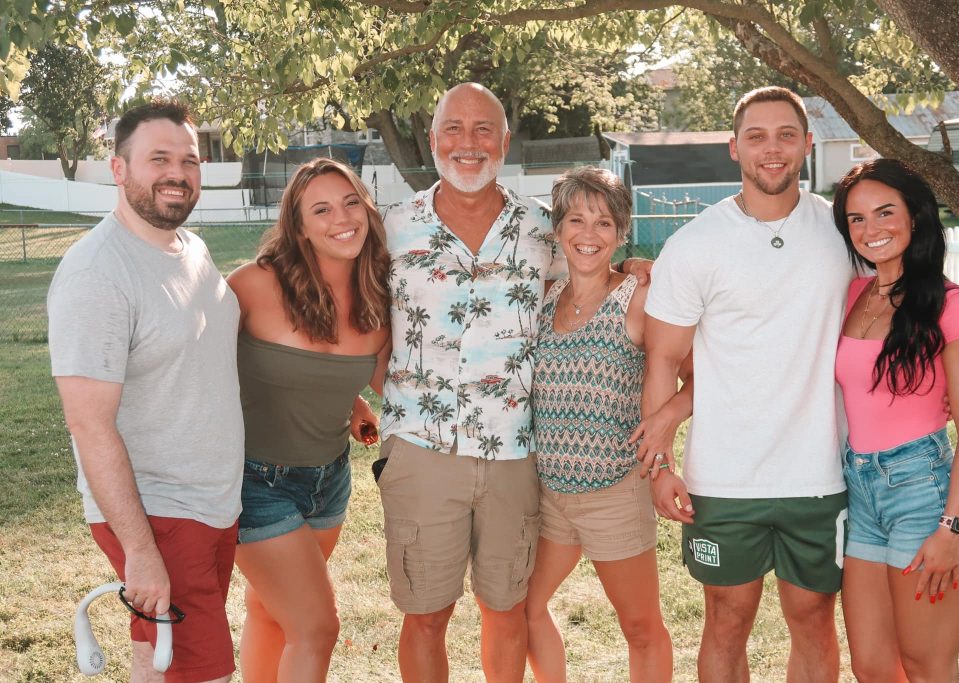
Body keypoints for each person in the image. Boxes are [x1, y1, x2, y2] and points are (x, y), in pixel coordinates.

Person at [375, 82, 650, 682]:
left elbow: (590, 266)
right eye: (454, 128)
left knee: (505, 609)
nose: (467, 144)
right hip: (423, 451)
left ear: (504, 141)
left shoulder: (540, 229)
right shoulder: (391, 229)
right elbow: (362, 323)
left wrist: (634, 266)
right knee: (425, 615)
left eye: (483, 131)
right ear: (432, 139)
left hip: (516, 455)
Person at [637, 86, 853, 682]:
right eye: (756, 136)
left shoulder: (843, 233)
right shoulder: (695, 244)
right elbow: (662, 360)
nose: (772, 149)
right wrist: (661, 468)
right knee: (728, 618)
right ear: (734, 148)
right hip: (724, 477)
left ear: (808, 145)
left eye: (787, 135)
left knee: (812, 617)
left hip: (820, 471)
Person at [48, 100, 243, 683]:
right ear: (118, 168)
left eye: (189, 159)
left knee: (159, 659)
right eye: (158, 158)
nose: (177, 172)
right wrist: (140, 549)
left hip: (211, 504)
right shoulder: (97, 273)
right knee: (203, 671)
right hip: (158, 510)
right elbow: (89, 424)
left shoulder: (191, 249)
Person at [227, 158, 391, 681]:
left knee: (270, 610)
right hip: (256, 480)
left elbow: (344, 374)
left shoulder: (380, 293)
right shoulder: (252, 286)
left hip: (328, 478)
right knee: (316, 629)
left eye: (350, 203)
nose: (341, 218)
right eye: (320, 209)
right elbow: (196, 374)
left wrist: (351, 403)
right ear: (298, 226)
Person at [832, 158, 959, 681]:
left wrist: (953, 528)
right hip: (862, 489)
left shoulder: (952, 305)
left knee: (926, 665)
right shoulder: (855, 294)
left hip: (925, 494)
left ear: (915, 217)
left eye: (884, 213)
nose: (870, 230)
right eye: (856, 219)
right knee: (873, 665)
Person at [524, 167, 676, 682]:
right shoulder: (544, 295)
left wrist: (664, 424)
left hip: (614, 490)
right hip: (550, 494)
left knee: (639, 626)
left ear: (621, 233)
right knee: (525, 610)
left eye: (604, 223)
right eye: (576, 220)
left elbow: (698, 374)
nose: (588, 234)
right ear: (558, 229)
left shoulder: (638, 296)